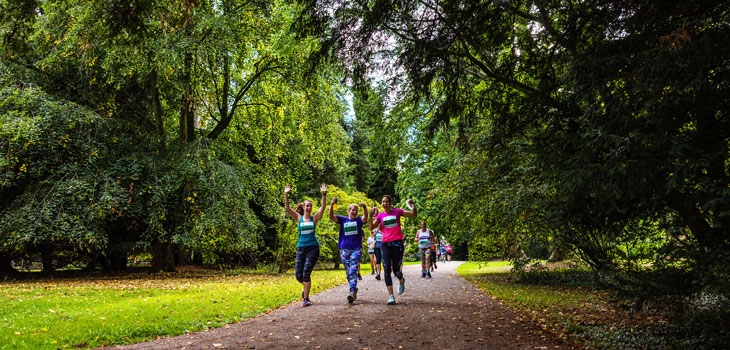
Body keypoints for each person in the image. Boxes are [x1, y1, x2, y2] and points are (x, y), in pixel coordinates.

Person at [284, 183, 327, 307]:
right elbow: (287, 208)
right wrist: (286, 194)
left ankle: (306, 299)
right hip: (301, 248)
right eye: (306, 205)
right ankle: (306, 288)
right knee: (298, 275)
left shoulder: (314, 218)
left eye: (310, 206)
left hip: (313, 248)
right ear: (303, 207)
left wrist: (324, 194)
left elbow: (323, 207)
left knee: (306, 273)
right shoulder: (298, 218)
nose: (308, 208)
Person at [369, 195, 417, 305]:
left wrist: (412, 205)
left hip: (397, 244)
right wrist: (371, 217)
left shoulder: (398, 212)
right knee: (386, 269)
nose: (384, 203)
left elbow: (413, 214)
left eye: (386, 201)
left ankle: (401, 280)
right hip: (385, 244)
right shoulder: (380, 216)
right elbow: (371, 227)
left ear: (390, 203)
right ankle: (391, 296)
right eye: (383, 202)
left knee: (396, 270)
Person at [329, 199, 369, 303]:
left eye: (355, 210)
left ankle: (351, 292)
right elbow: (331, 217)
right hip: (344, 249)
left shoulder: (359, 221)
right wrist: (332, 204)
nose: (353, 211)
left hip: (356, 249)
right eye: (351, 209)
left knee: (352, 270)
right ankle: (354, 288)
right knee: (348, 272)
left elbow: (365, 218)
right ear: (348, 211)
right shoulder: (343, 220)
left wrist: (364, 207)